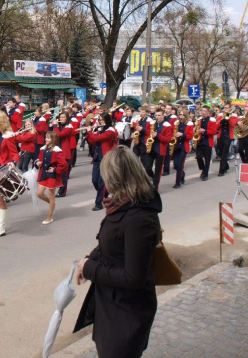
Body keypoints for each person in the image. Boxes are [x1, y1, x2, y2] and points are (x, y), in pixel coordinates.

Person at [73, 146, 161, 358]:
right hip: (111, 304)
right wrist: (87, 261)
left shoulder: (139, 218)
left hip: (127, 312)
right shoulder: (123, 205)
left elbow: (133, 277)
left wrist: (90, 268)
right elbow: (110, 243)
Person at [84, 113, 118, 211]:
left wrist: (90, 131)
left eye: (102, 120)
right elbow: (93, 141)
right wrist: (87, 133)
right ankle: (105, 194)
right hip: (97, 157)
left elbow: (97, 138)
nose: (100, 121)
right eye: (99, 119)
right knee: (95, 180)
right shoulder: (101, 129)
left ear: (107, 120)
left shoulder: (111, 131)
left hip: (105, 157)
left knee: (101, 182)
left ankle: (98, 203)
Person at [35, 131, 68, 224]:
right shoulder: (43, 149)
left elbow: (64, 164)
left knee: (51, 195)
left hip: (52, 176)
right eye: (46, 137)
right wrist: (37, 162)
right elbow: (38, 159)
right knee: (39, 193)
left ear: (53, 139)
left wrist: (54, 170)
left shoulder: (57, 150)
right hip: (43, 174)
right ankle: (52, 203)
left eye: (48, 138)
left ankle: (50, 216)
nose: (46, 139)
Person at [146, 109, 174, 190]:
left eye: (159, 115)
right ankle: (154, 178)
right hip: (151, 148)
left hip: (160, 149)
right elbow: (148, 134)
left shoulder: (167, 125)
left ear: (163, 116)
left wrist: (157, 135)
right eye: (156, 115)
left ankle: (155, 187)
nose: (157, 117)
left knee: (158, 170)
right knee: (147, 167)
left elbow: (168, 139)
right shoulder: (153, 124)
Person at [52, 111, 74, 198]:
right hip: (58, 151)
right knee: (58, 172)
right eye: (60, 117)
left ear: (67, 118)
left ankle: (62, 191)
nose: (61, 119)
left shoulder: (69, 127)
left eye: (63, 117)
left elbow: (59, 135)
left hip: (65, 152)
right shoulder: (61, 126)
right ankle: (59, 188)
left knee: (64, 174)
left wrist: (55, 126)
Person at [172, 112, 194, 188]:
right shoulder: (176, 123)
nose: (181, 116)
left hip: (184, 147)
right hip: (176, 145)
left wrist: (182, 134)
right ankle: (182, 174)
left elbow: (190, 136)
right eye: (180, 115)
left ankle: (177, 183)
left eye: (183, 115)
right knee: (176, 165)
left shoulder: (189, 124)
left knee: (180, 164)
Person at [195, 106, 217, 181]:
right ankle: (203, 169)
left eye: (205, 111)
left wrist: (204, 131)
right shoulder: (199, 120)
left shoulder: (212, 120)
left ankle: (205, 174)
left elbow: (214, 131)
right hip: (200, 141)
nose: (203, 112)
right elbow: (196, 129)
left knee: (207, 159)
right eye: (202, 111)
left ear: (208, 112)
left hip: (208, 142)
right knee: (198, 157)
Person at [216, 104, 239, 176]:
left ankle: (221, 170)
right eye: (224, 108)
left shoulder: (234, 116)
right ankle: (226, 166)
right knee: (219, 151)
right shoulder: (220, 115)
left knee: (224, 153)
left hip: (228, 136)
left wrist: (228, 118)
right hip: (220, 135)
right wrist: (223, 119)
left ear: (230, 109)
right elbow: (217, 126)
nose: (225, 109)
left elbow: (233, 125)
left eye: (226, 108)